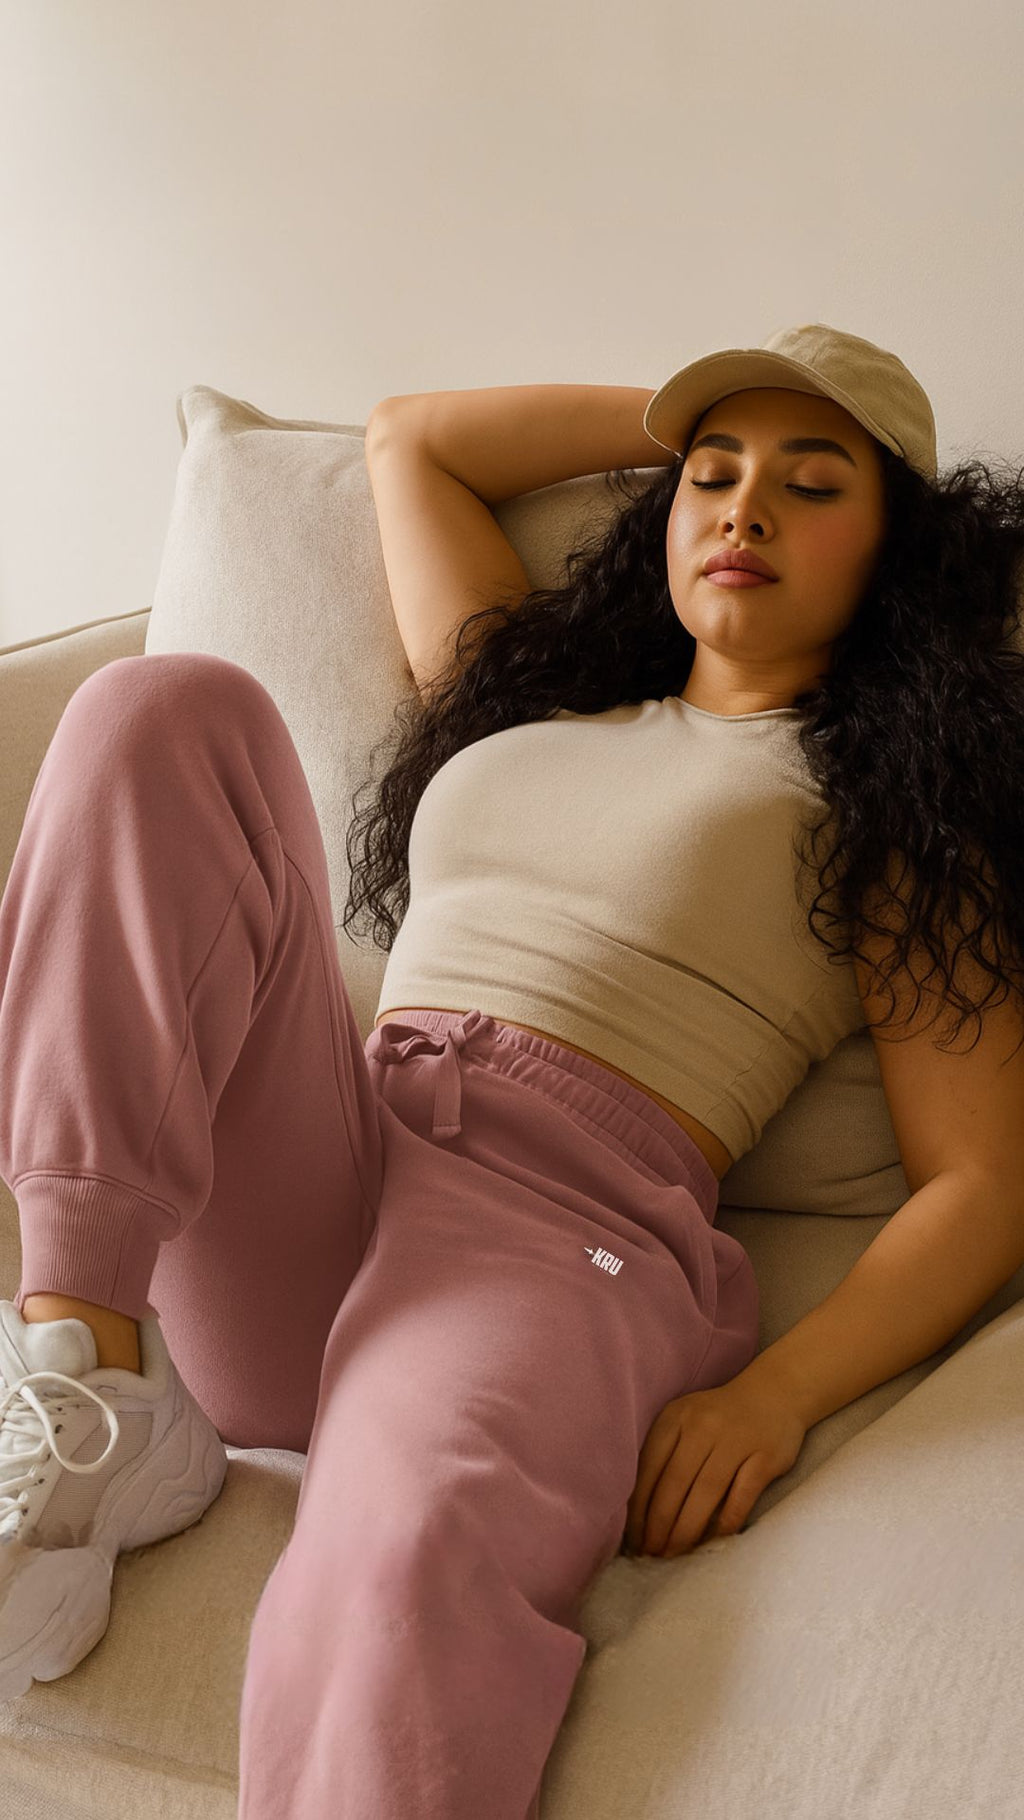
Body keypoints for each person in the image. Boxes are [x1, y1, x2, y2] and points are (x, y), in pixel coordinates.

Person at [1, 323, 1023, 1818]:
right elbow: (412, 438)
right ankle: (87, 1374)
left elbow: (986, 1181)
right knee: (165, 706)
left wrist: (776, 1397)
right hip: (331, 1154)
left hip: (555, 1235)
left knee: (406, 1548)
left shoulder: (889, 806)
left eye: (813, 486)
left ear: (898, 557)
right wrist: (697, 419)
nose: (744, 510)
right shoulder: (533, 706)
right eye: (713, 478)